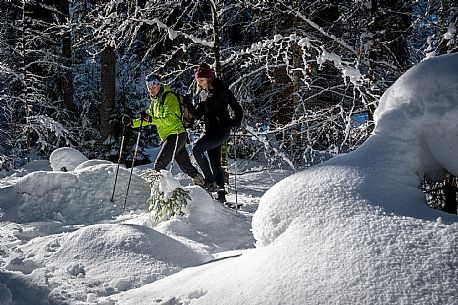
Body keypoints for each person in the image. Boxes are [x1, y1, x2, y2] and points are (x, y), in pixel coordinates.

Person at [123, 73, 205, 186]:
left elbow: (170, 119)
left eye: (153, 86)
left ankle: (161, 193)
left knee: (159, 166)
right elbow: (147, 119)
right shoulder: (155, 102)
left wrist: (150, 119)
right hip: (171, 136)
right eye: (149, 87)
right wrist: (132, 123)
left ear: (159, 84)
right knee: (186, 166)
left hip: (176, 134)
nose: (151, 89)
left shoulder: (169, 97)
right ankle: (205, 186)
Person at [192, 63, 243, 203]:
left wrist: (233, 123)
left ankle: (209, 182)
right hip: (211, 132)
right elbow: (198, 115)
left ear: (209, 78)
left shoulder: (221, 90)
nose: (199, 82)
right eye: (198, 80)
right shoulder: (204, 93)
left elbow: (237, 109)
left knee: (197, 149)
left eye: (202, 79)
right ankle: (221, 197)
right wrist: (189, 105)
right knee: (215, 165)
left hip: (221, 131)